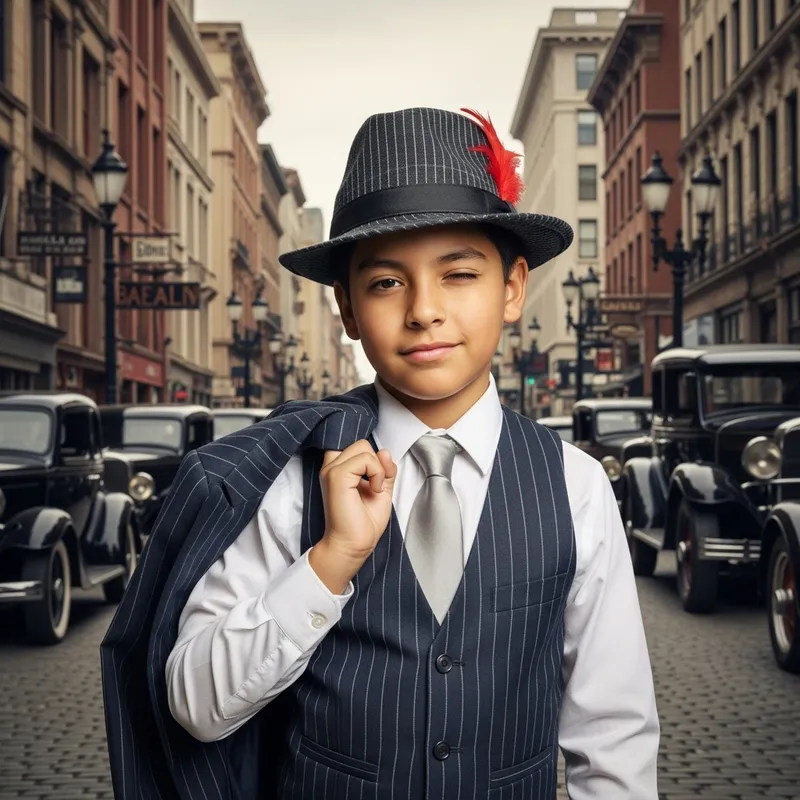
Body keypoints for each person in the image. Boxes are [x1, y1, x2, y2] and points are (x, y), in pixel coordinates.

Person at [101, 107, 659, 800]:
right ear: (347, 309)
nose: (423, 310)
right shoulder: (288, 482)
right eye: (387, 282)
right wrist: (328, 563)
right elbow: (195, 706)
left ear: (512, 288)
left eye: (459, 274)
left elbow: (613, 732)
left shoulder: (575, 485)